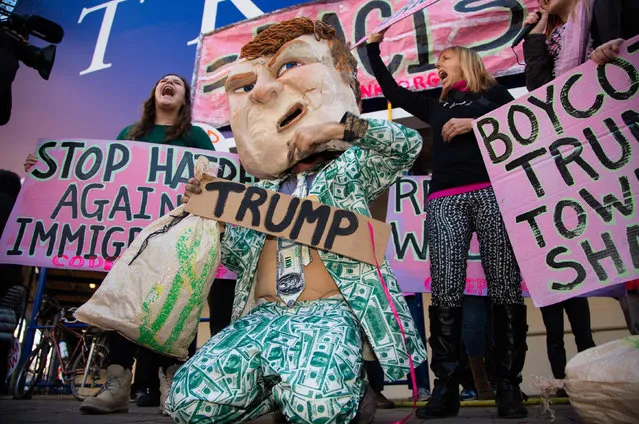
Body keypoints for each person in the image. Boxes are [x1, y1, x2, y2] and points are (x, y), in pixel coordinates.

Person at [170, 17, 427, 424]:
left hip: (325, 314)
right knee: (188, 403)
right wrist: (214, 215)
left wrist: (340, 127)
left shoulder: (350, 170)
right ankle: (277, 392)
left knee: (317, 409)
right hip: (264, 315)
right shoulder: (258, 194)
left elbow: (406, 146)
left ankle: (343, 390)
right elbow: (240, 259)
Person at [367, 31, 528, 420]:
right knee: (446, 287)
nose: (438, 65)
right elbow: (389, 87)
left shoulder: (495, 98)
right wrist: (373, 48)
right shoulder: (432, 104)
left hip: (492, 193)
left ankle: (508, 385)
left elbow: (522, 127)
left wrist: (475, 124)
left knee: (505, 284)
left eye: (445, 59)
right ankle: (446, 387)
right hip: (444, 200)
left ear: (466, 62)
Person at [78, 73, 215, 415]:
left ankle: (170, 383)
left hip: (174, 239)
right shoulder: (129, 135)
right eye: (162, 81)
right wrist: (45, 169)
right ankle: (117, 383)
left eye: (177, 83)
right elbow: (104, 177)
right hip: (132, 238)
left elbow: (216, 180)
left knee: (167, 304)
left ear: (184, 99)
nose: (168, 84)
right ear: (153, 92)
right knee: (124, 303)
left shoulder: (194, 136)